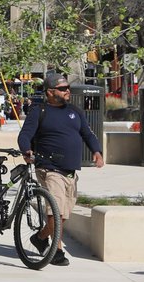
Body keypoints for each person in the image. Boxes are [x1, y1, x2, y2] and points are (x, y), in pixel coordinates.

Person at [17, 72, 103, 267]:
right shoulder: (39, 111)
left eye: (68, 88)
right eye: (63, 88)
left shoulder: (74, 111)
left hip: (71, 172)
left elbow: (87, 134)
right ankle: (56, 250)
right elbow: (25, 135)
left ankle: (40, 238)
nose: (67, 91)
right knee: (55, 213)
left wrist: (96, 151)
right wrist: (26, 149)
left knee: (63, 215)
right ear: (50, 92)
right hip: (49, 168)